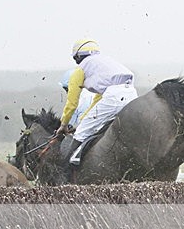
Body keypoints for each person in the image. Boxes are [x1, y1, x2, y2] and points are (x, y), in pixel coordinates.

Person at [54, 39, 137, 172]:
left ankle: (67, 168)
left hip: (114, 96)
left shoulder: (80, 70)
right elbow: (98, 100)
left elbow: (72, 103)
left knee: (81, 133)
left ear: (78, 57)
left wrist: (63, 125)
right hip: (132, 93)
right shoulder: (104, 63)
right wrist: (83, 120)